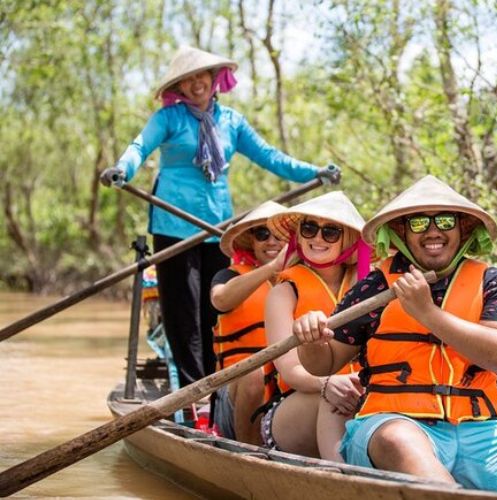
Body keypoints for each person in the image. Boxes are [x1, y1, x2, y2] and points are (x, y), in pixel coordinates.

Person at [290, 175, 497, 496]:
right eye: (418, 224)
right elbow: (323, 364)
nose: (433, 231)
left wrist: (427, 314)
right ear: (400, 232)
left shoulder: (492, 282)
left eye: (444, 220)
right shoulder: (376, 286)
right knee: (399, 439)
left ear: (464, 228)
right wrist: (312, 341)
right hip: (393, 426)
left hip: (481, 432)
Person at [99, 46, 339, 387]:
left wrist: (314, 172)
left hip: (216, 227)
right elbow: (139, 146)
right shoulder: (168, 119)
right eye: (188, 79)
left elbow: (270, 156)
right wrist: (122, 169)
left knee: (214, 311)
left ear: (215, 79)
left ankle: (218, 388)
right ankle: (192, 391)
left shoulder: (232, 122)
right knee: (183, 314)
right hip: (173, 224)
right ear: (178, 88)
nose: (196, 84)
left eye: (202, 76)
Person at [262, 191, 371, 461]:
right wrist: (326, 383)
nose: (317, 238)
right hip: (297, 404)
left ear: (348, 239)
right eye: (309, 228)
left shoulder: (369, 285)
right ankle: (340, 480)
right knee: (333, 398)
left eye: (330, 232)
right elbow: (289, 370)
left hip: (363, 396)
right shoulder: (284, 291)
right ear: (299, 235)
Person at [209, 201, 287, 443]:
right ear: (251, 242)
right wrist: (273, 267)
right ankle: (250, 451)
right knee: (253, 371)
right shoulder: (229, 276)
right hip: (234, 395)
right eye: (263, 234)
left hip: (284, 394)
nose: (271, 242)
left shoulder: (301, 281)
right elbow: (220, 299)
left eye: (279, 235)